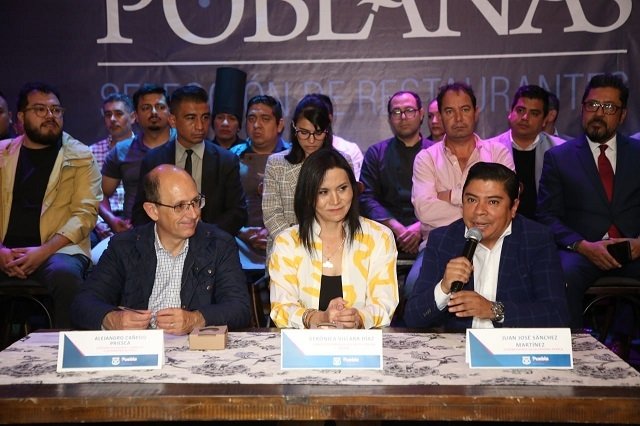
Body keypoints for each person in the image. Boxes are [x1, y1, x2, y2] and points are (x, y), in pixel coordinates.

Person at [72, 165, 251, 333]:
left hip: (195, 346)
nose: (193, 214)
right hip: (140, 347)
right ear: (152, 211)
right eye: (180, 206)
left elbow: (239, 308)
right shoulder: (124, 246)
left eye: (196, 202)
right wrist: (112, 319)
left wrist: (196, 319)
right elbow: (83, 303)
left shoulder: (219, 244)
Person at [404, 162, 569, 330]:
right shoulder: (443, 240)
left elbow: (557, 315)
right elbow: (412, 319)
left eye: (493, 202)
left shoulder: (536, 239)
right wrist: (443, 287)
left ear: (513, 207)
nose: (479, 211)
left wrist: (493, 310)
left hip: (510, 343)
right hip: (460, 344)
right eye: (471, 200)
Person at [537, 73, 640, 329]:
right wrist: (582, 246)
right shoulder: (559, 158)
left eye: (609, 107)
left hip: (635, 249)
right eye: (592, 105)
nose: (599, 113)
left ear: (622, 115)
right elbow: (547, 216)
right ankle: (570, 347)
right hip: (583, 252)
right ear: (582, 109)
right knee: (560, 276)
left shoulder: (637, 154)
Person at [0, 82, 102, 328]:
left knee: (65, 276)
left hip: (58, 250)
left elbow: (85, 214)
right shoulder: (3, 154)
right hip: (5, 249)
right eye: (40, 109)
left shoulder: (80, 155)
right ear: (21, 117)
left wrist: (42, 252)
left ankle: (66, 347)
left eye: (56, 110)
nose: (50, 116)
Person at [406, 83, 514, 300]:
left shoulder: (498, 153)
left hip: (493, 244)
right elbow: (425, 210)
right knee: (413, 287)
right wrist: (483, 211)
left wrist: (452, 196)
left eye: (464, 109)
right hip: (439, 246)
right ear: (440, 116)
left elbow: (507, 205)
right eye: (449, 111)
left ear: (476, 112)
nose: (458, 118)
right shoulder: (426, 158)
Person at [269, 149, 398, 329]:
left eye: (342, 188)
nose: (335, 200)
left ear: (353, 189)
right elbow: (281, 308)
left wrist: (359, 318)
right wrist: (318, 317)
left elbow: (384, 303)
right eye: (323, 192)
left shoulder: (379, 237)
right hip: (304, 344)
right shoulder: (288, 242)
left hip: (360, 344)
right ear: (308, 196)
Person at [132, 85, 248, 237]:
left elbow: (238, 212)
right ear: (173, 120)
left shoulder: (226, 160)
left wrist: (206, 234)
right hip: (165, 242)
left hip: (213, 242)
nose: (200, 126)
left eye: (205, 117)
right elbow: (141, 211)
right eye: (191, 118)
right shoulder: (154, 160)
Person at [262, 95, 352, 256]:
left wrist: (324, 244)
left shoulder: (342, 161)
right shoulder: (276, 164)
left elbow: (347, 209)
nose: (311, 140)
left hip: (332, 249)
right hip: (287, 250)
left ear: (327, 131)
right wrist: (296, 245)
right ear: (294, 128)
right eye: (303, 132)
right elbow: (271, 214)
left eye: (318, 133)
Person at [359, 90, 433, 257]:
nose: (403, 117)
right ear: (390, 118)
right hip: (384, 234)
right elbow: (366, 198)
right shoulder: (376, 153)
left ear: (421, 114)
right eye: (396, 112)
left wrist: (419, 227)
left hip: (429, 233)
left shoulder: (437, 152)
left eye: (409, 110)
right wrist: (396, 227)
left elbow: (444, 198)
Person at [100, 84, 173, 236]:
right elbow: (100, 194)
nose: (154, 112)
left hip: (179, 230)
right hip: (134, 232)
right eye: (146, 108)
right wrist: (112, 220)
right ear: (136, 116)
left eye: (160, 107)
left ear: (170, 113)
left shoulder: (184, 145)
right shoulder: (121, 151)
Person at [486, 85, 564, 219]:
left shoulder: (560, 150)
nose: (525, 117)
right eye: (520, 110)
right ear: (510, 112)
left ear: (545, 120)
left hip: (546, 226)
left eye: (534, 113)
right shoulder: (490, 149)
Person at [230, 95, 290, 269]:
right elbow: (221, 206)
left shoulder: (295, 158)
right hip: (240, 244)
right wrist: (241, 231)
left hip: (287, 245)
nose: (257, 125)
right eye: (251, 119)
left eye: (265, 119)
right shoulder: (231, 157)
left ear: (280, 124)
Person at [90, 93, 136, 243]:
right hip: (102, 221)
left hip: (136, 220)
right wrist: (102, 225)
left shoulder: (144, 150)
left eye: (118, 114)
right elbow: (88, 195)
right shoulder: (91, 152)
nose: (113, 119)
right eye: (108, 115)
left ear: (133, 117)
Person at [311, 93, 364, 179]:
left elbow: (356, 184)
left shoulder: (350, 151)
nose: (311, 139)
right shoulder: (290, 155)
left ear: (329, 118)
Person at [212, 67, 247, 150]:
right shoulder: (203, 151)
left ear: (239, 126)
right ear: (213, 122)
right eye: (220, 117)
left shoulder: (248, 152)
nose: (225, 123)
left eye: (232, 118)